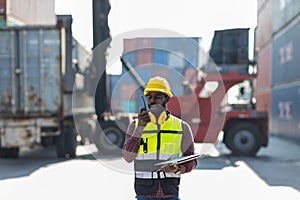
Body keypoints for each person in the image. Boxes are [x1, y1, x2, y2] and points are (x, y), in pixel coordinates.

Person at [123, 76, 197, 200]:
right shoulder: (135, 126)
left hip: (170, 193)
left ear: (167, 99)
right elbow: (128, 157)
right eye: (149, 97)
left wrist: (178, 168)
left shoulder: (181, 127)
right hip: (144, 193)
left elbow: (192, 161)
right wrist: (140, 127)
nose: (152, 100)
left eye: (158, 97)